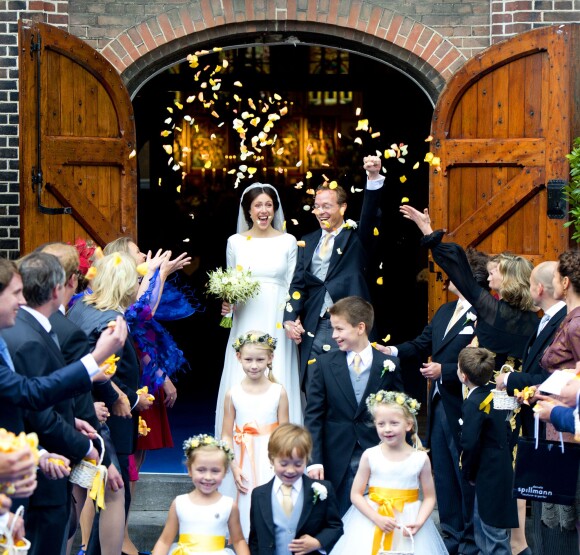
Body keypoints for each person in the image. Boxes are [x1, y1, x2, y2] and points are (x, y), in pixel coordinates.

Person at [0, 253, 125, 555]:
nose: (22, 300)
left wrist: (40, 451)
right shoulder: (23, 337)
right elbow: (30, 393)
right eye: (16, 293)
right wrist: (94, 359)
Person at [375, 250, 489, 555]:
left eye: (453, 270)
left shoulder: (484, 312)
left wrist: (447, 371)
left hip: (463, 404)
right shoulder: (444, 312)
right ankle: (451, 537)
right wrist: (392, 351)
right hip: (438, 404)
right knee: (444, 472)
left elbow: (487, 361)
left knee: (464, 472)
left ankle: (470, 543)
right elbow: (422, 343)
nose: (446, 276)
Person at [68, 252, 154, 555]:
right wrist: (130, 399)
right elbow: (99, 367)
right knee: (114, 492)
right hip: (102, 419)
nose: (138, 286)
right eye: (137, 280)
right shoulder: (111, 320)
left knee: (77, 494)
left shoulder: (81, 307)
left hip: (79, 412)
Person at [284, 156, 384, 390]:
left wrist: (373, 178)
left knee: (351, 387)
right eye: (317, 206)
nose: (320, 212)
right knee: (314, 388)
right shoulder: (306, 242)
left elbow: (370, 216)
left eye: (326, 206)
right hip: (315, 326)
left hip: (350, 325)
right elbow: (298, 285)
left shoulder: (356, 237)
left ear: (343, 207)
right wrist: (290, 319)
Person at [400, 204, 539, 373]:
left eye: (494, 272)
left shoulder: (494, 311)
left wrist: (426, 229)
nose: (489, 277)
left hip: (487, 393)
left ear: (509, 280)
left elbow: (459, 272)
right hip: (515, 391)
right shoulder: (535, 319)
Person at [304, 296, 403, 515]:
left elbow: (400, 412)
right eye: (333, 328)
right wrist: (314, 461)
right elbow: (313, 416)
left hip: (379, 455)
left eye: (339, 329)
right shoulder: (324, 364)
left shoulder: (388, 365)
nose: (333, 335)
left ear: (360, 327)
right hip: (336, 456)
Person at [216, 183, 300, 437]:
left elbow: (293, 286)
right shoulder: (235, 242)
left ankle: (282, 440)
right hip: (246, 315)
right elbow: (230, 279)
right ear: (248, 211)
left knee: (279, 369)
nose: (264, 211)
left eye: (268, 205)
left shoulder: (288, 241)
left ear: (275, 209)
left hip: (277, 315)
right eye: (258, 206)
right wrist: (227, 304)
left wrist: (292, 318)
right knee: (243, 363)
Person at [330, 390, 447, 554]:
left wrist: (419, 522)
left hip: (407, 521)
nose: (387, 429)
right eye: (381, 424)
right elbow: (355, 494)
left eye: (394, 423)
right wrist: (376, 518)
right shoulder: (370, 455)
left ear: (408, 424)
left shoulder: (420, 459)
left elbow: (429, 497)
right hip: (373, 520)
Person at [221, 330, 289, 539]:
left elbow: (284, 432)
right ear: (238, 357)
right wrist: (233, 465)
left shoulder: (278, 391)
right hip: (243, 458)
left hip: (269, 456)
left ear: (270, 358)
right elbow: (226, 434)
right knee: (245, 499)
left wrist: (281, 462)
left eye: (260, 360)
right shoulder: (233, 394)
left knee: (271, 502)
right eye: (248, 359)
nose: (254, 365)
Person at [535, 250, 580, 554]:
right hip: (557, 420)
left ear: (565, 282)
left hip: (569, 426)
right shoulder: (570, 319)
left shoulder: (577, 324)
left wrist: (559, 394)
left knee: (568, 506)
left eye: (553, 279)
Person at [458, 347, 518, 555]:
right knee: (487, 527)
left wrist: (468, 473)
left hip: (486, 473)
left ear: (463, 376)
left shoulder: (473, 403)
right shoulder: (497, 398)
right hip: (501, 469)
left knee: (491, 533)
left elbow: (470, 443)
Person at [249, 423, 343, 555]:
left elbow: (336, 527)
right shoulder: (259, 495)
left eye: (298, 464)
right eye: (284, 463)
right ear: (271, 459)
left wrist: (318, 542)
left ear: (306, 459)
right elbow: (255, 538)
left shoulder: (323, 489)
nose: (290, 470)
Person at [151, 434, 249, 555]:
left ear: (224, 472)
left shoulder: (229, 505)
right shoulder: (180, 503)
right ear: (190, 470)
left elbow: (239, 540)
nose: (208, 477)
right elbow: (165, 541)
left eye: (215, 471)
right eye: (201, 470)